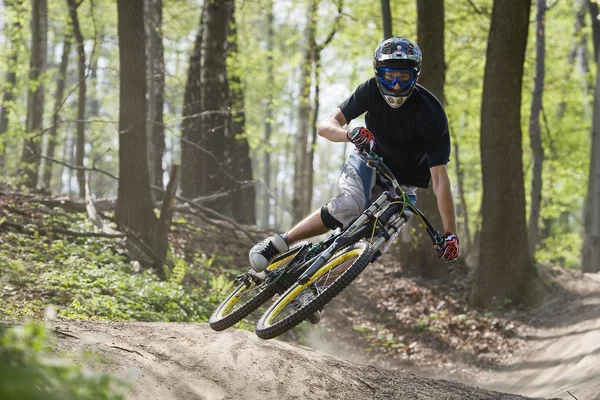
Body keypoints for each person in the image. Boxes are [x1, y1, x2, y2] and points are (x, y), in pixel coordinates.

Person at [249, 37, 459, 321]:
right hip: (369, 162)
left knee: (373, 247)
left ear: (415, 76)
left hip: (403, 186)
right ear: (378, 74)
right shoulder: (370, 90)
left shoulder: (431, 113)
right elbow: (326, 126)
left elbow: (439, 180)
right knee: (349, 205)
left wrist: (450, 233)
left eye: (403, 77)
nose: (395, 85)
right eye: (389, 76)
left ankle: (316, 289)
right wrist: (349, 134)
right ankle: (278, 244)